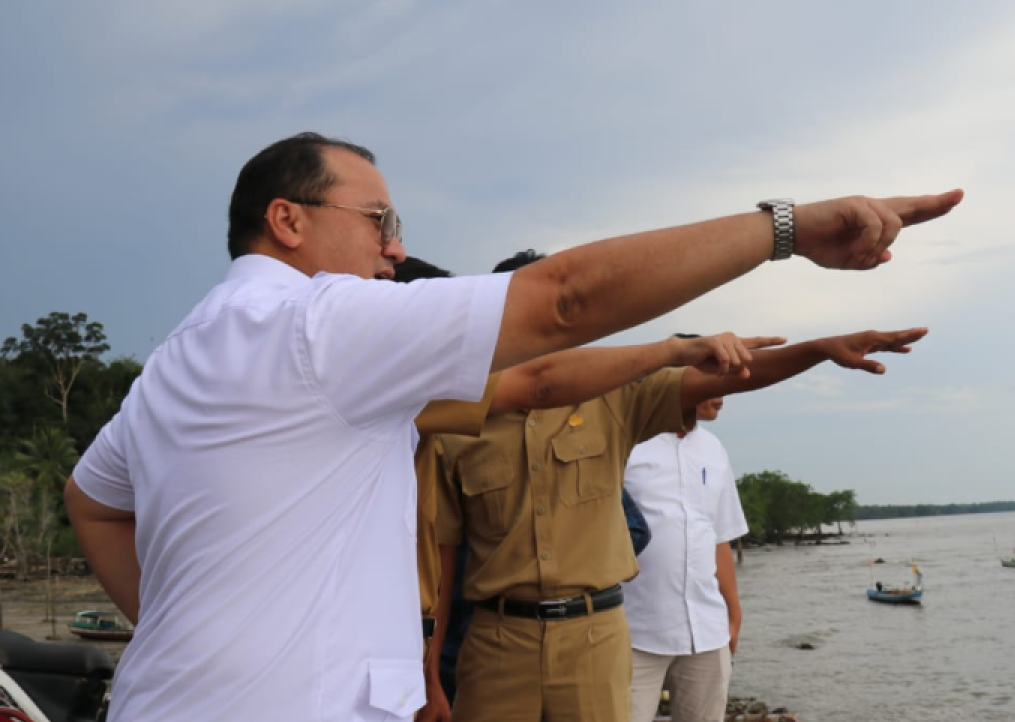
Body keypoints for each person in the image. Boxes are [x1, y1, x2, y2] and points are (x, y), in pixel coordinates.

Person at [64, 131, 962, 722]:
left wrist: (174, 628)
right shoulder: (315, 326)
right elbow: (565, 302)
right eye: (379, 221)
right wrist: (788, 227)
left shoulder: (188, 356)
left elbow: (92, 501)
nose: (391, 249)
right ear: (287, 219)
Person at [435, 254, 933, 722]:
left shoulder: (615, 400)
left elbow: (726, 378)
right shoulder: (456, 417)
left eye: (557, 314)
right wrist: (428, 673)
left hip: (594, 636)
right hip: (496, 639)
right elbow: (442, 558)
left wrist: (820, 350)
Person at [623, 388, 747, 722]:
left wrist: (734, 617)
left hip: (707, 631)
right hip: (632, 630)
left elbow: (719, 536)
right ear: (677, 382)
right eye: (712, 385)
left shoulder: (714, 449)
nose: (723, 395)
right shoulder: (627, 443)